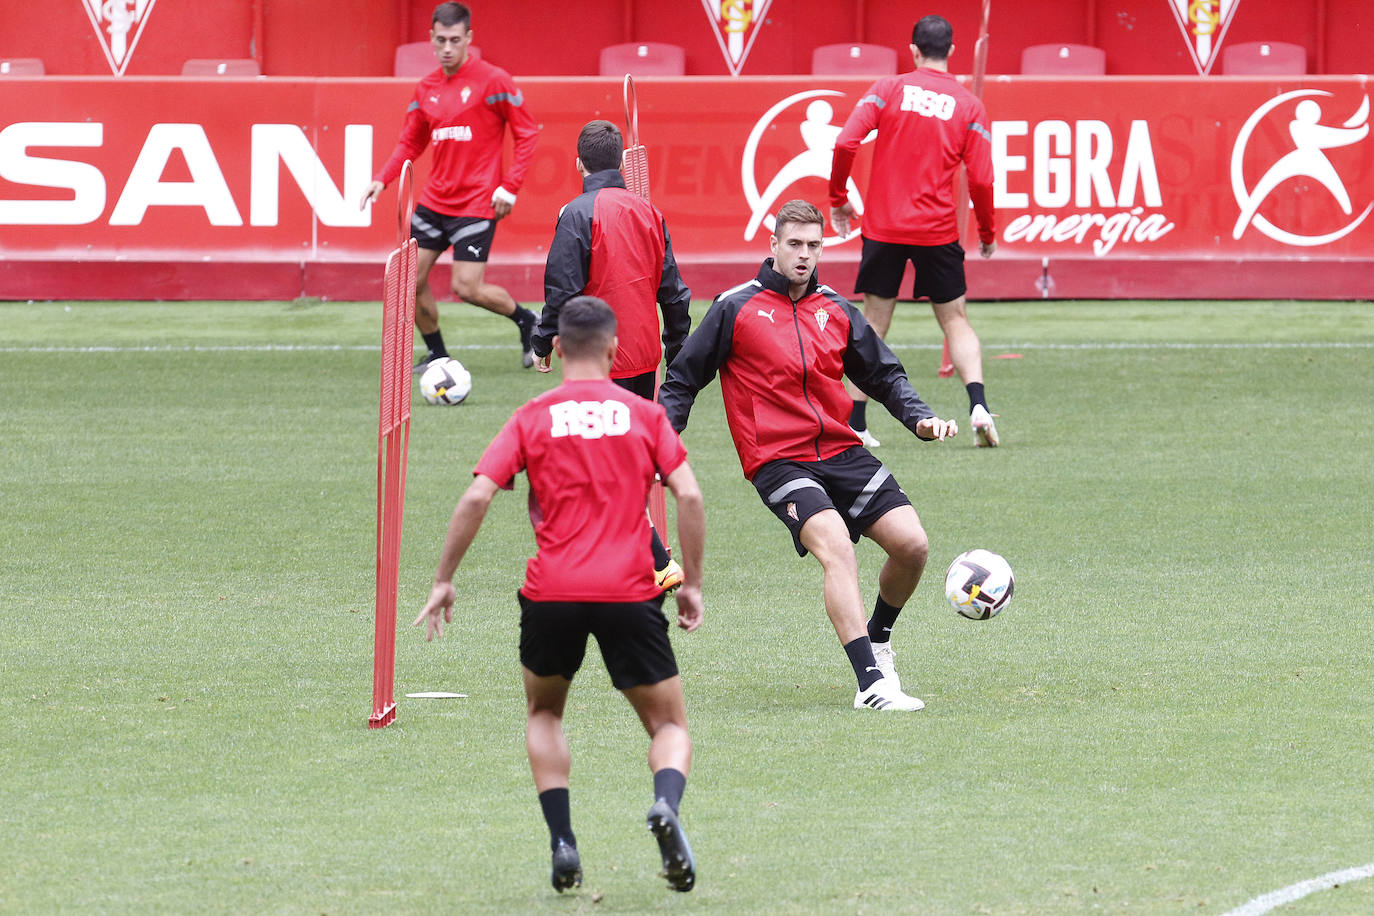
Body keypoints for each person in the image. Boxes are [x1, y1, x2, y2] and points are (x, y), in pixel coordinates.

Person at [414, 296, 705, 894]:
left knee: (545, 713)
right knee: (669, 727)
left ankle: (563, 842)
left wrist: (444, 579)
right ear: (612, 347)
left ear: (556, 348)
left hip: (551, 593)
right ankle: (665, 807)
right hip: (628, 592)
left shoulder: (533, 416)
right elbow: (690, 497)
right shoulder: (642, 414)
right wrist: (691, 583)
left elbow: (476, 497)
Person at [659, 200, 957, 712]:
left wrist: (919, 419)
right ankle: (871, 685)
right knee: (836, 546)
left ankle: (878, 640)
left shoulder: (836, 309)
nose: (803, 255)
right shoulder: (734, 307)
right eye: (793, 244)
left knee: (913, 546)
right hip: (777, 458)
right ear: (773, 245)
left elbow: (884, 375)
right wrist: (659, 441)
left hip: (841, 449)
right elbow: (683, 380)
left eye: (813, 246)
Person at [532, 119, 693, 592]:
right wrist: (676, 348)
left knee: (597, 466)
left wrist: (543, 341)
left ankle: (657, 562)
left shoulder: (576, 213)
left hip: (597, 360)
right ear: (622, 161)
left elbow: (561, 288)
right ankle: (626, 558)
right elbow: (675, 292)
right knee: (617, 460)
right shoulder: (649, 212)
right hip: (643, 358)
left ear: (578, 163)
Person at [828, 13, 1000, 447]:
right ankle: (978, 406)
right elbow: (981, 180)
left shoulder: (889, 89)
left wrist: (838, 198)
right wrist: (987, 232)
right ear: (953, 51)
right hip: (937, 231)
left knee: (873, 324)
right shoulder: (968, 105)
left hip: (884, 227)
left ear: (913, 50)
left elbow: (846, 141)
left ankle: (857, 423)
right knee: (955, 320)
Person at [360, 2, 541, 373]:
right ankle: (438, 354)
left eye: (455, 40)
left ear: (469, 39)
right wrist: (383, 177)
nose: (447, 47)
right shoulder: (426, 88)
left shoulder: (494, 81)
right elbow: (411, 143)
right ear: (431, 38)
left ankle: (527, 322)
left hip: (476, 203)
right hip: (434, 203)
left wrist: (509, 187)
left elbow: (527, 134)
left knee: (467, 288)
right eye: (440, 40)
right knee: (406, 281)